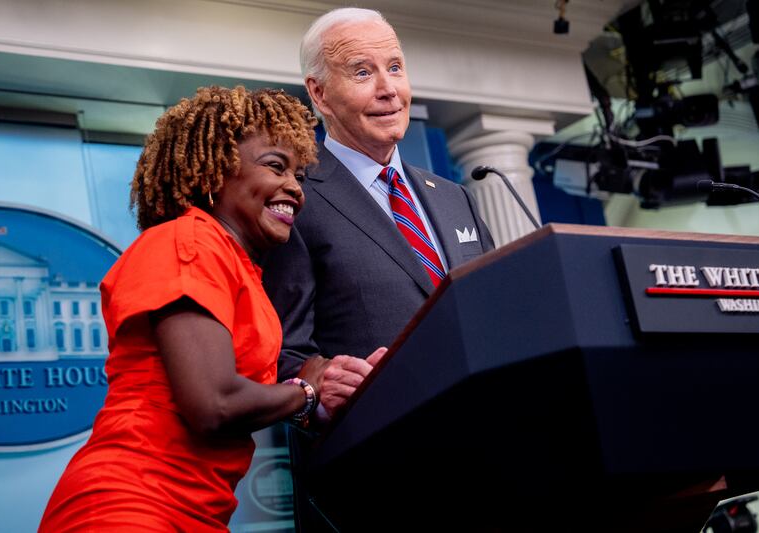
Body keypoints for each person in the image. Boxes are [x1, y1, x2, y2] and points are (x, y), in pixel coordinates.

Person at [39, 86, 330, 532]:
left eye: (299, 176)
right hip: (129, 506)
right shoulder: (187, 242)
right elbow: (213, 403)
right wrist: (304, 392)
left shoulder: (234, 263)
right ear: (215, 170)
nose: (294, 187)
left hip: (192, 512)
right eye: (275, 166)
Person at [263, 7, 495, 421]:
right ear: (318, 94)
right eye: (363, 72)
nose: (389, 89)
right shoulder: (295, 199)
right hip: (384, 451)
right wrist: (316, 390)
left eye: (395, 67)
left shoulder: (454, 196)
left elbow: (497, 311)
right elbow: (281, 353)